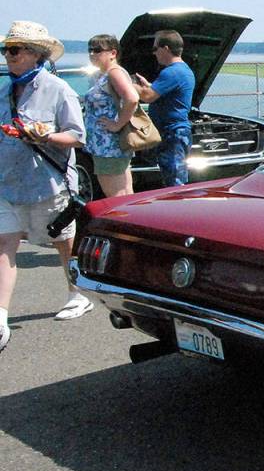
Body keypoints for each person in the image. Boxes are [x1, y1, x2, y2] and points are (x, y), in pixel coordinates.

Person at [1, 21, 93, 352]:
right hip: (7, 183)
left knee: (62, 241)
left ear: (35, 55)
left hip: (48, 184)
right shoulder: (3, 91)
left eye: (14, 50)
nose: (8, 56)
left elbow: (77, 137)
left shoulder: (58, 89)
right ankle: (0, 319)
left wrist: (46, 136)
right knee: (4, 245)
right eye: (5, 50)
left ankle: (77, 293)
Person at [134, 30, 195, 187]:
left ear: (165, 48)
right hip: (176, 131)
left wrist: (126, 83)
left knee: (175, 181)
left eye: (155, 49)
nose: (154, 53)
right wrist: (148, 86)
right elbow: (159, 92)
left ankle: (178, 209)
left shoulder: (172, 72)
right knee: (173, 176)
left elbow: (147, 97)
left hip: (172, 133)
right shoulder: (183, 70)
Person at [83, 34, 138, 197]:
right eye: (90, 50)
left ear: (113, 53)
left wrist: (117, 124)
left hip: (108, 146)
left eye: (98, 50)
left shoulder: (114, 72)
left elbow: (132, 99)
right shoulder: (104, 74)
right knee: (126, 195)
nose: (92, 54)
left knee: (117, 196)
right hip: (105, 145)